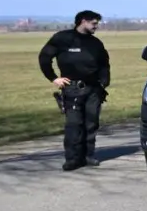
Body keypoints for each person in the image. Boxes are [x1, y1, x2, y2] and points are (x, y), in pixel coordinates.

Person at [38, 10, 110, 171]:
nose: (96, 26)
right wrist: (53, 78)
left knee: (91, 123)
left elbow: (104, 64)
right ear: (83, 21)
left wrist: (104, 83)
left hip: (94, 89)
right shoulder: (62, 38)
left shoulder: (95, 43)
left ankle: (88, 155)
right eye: (94, 23)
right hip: (72, 89)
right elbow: (44, 58)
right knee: (74, 124)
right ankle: (72, 158)